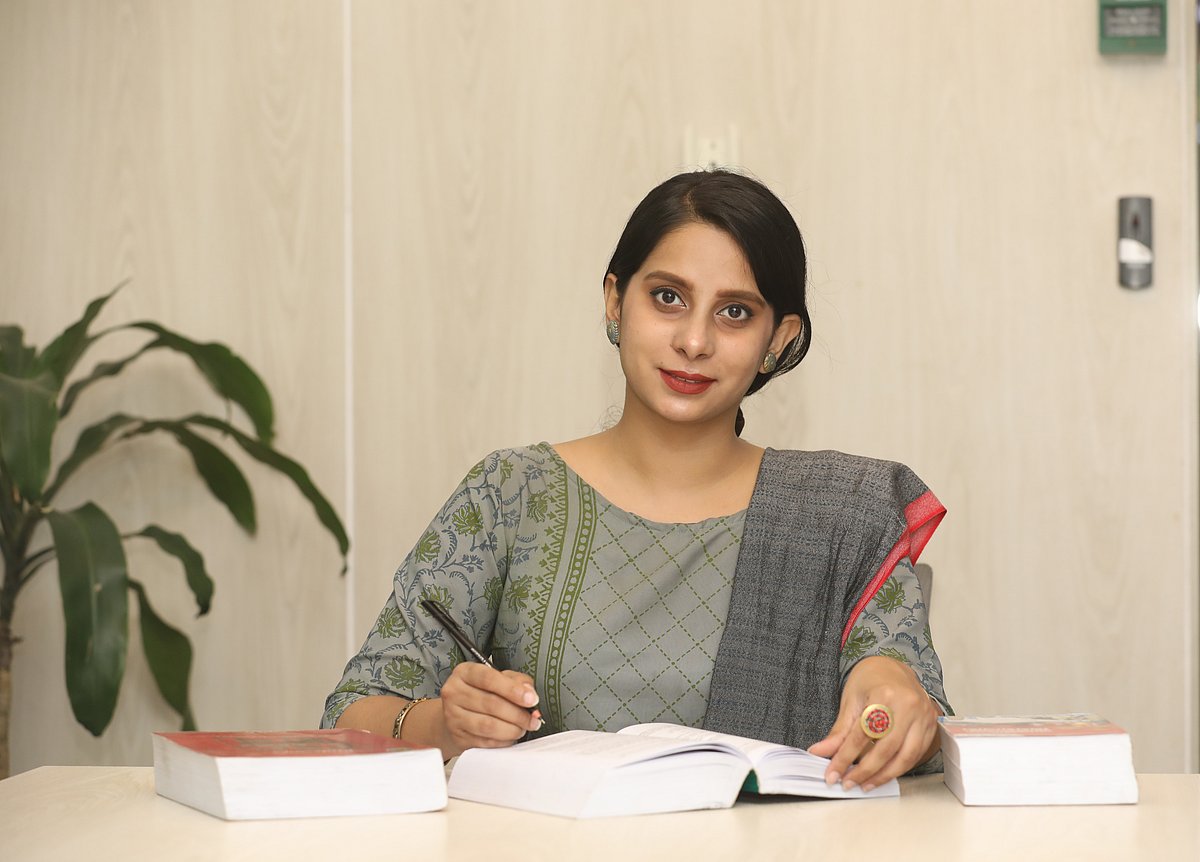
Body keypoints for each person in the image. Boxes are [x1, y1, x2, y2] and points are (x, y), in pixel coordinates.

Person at [323, 169, 950, 793]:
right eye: (668, 297)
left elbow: (917, 720)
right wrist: (445, 725)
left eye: (735, 312)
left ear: (776, 339)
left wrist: (894, 691)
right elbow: (350, 715)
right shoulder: (511, 493)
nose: (694, 341)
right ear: (615, 301)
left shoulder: (839, 515)